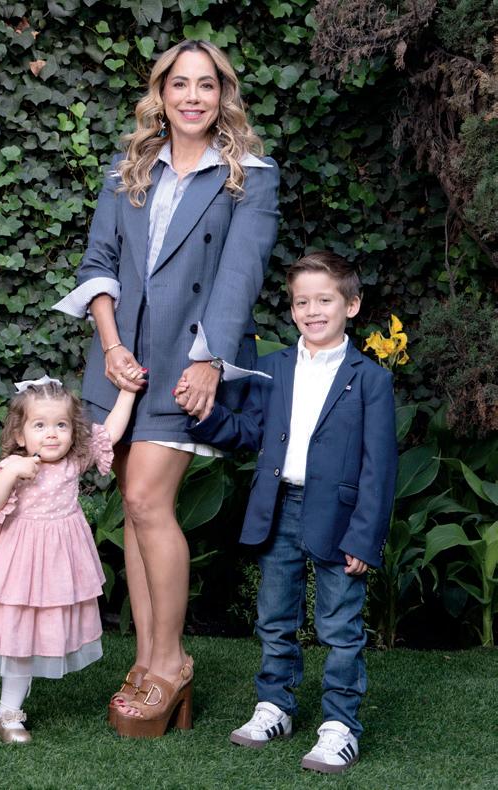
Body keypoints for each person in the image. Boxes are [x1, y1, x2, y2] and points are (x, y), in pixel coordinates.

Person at [53, 39, 280, 738]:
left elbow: (240, 275)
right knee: (132, 507)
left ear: (223, 95)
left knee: (150, 500)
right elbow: (98, 262)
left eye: (206, 85)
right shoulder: (129, 168)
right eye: (179, 84)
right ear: (160, 94)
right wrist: (111, 347)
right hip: (121, 362)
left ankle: (170, 663)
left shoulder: (251, 176)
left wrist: (210, 361)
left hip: (189, 363)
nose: (192, 97)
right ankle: (149, 659)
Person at [178, 252, 397, 773]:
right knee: (275, 619)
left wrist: (364, 538)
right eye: (302, 302)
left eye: (324, 300)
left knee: (339, 627)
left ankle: (340, 726)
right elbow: (249, 432)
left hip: (340, 519)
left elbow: (380, 467)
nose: (312, 311)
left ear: (352, 305)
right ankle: (275, 706)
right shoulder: (272, 368)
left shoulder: (371, 379)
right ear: (292, 308)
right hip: (277, 509)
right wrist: (204, 414)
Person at [0, 376, 137, 744]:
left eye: (61, 425)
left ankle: (8, 714)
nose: (51, 434)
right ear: (20, 435)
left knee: (27, 639)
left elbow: (112, 433)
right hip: (7, 566)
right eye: (40, 425)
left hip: (51, 570)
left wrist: (129, 392)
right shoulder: (13, 466)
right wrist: (11, 473)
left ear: (73, 431)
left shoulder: (74, 462)